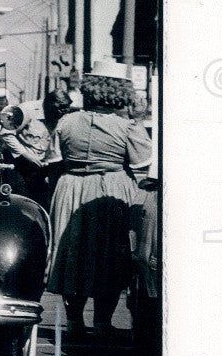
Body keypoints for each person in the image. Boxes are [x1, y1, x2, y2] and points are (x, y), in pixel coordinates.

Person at [46, 59, 152, 338]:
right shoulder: (127, 127)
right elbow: (143, 163)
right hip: (112, 189)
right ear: (121, 92)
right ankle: (103, 321)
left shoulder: (66, 121)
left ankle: (74, 321)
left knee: (73, 254)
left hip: (71, 187)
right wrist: (138, 121)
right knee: (110, 256)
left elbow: (52, 161)